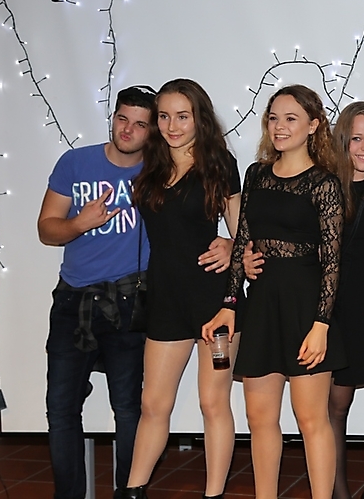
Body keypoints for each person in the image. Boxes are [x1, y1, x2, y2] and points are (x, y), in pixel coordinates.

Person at [242, 102, 364, 499]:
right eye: (356, 138)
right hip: (329, 310)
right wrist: (239, 252)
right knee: (332, 411)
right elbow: (266, 233)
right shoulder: (328, 184)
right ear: (341, 140)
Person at [204, 85, 346, 499]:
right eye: (273, 118)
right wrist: (230, 303)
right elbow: (242, 243)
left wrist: (321, 325)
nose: (280, 127)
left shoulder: (324, 183)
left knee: (311, 420)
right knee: (259, 418)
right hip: (264, 306)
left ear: (313, 126)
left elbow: (333, 262)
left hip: (306, 309)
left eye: (291, 119)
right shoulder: (256, 174)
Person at [123, 79, 241, 499]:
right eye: (164, 116)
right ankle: (132, 491)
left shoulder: (219, 164)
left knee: (213, 402)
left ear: (199, 118)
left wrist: (231, 244)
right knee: (153, 405)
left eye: (182, 116)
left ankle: (214, 494)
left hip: (215, 304)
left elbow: (244, 232)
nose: (172, 126)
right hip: (166, 302)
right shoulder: (151, 164)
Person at [38, 85, 156, 499]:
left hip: (130, 301)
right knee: (61, 409)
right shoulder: (75, 162)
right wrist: (79, 223)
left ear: (151, 131)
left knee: (129, 410)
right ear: (113, 117)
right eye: (122, 118)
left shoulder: (159, 173)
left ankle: (129, 492)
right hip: (73, 301)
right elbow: (47, 229)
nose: (128, 129)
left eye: (139, 124)